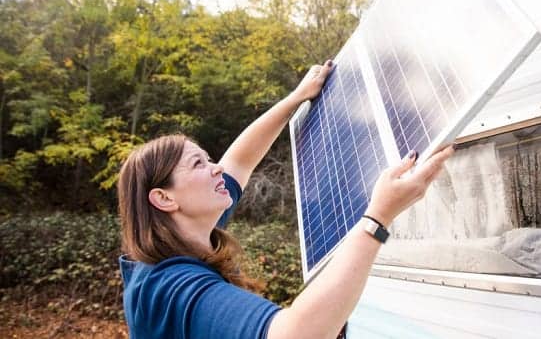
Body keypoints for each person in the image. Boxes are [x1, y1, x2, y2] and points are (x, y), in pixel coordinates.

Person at [117, 60, 455, 339]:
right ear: (164, 198)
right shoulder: (174, 288)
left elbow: (240, 160)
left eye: (208, 159)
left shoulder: (181, 234)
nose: (217, 168)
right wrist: (377, 218)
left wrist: (296, 98)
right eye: (198, 164)